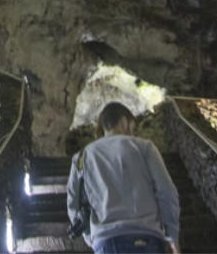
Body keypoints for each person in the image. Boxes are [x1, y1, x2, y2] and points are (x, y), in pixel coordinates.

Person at [67, 102, 180, 254]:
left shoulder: (81, 158)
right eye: (133, 127)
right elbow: (166, 192)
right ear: (124, 122)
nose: (133, 133)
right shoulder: (145, 147)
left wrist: (93, 238)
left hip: (106, 242)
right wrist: (171, 236)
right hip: (148, 238)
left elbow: (74, 207)